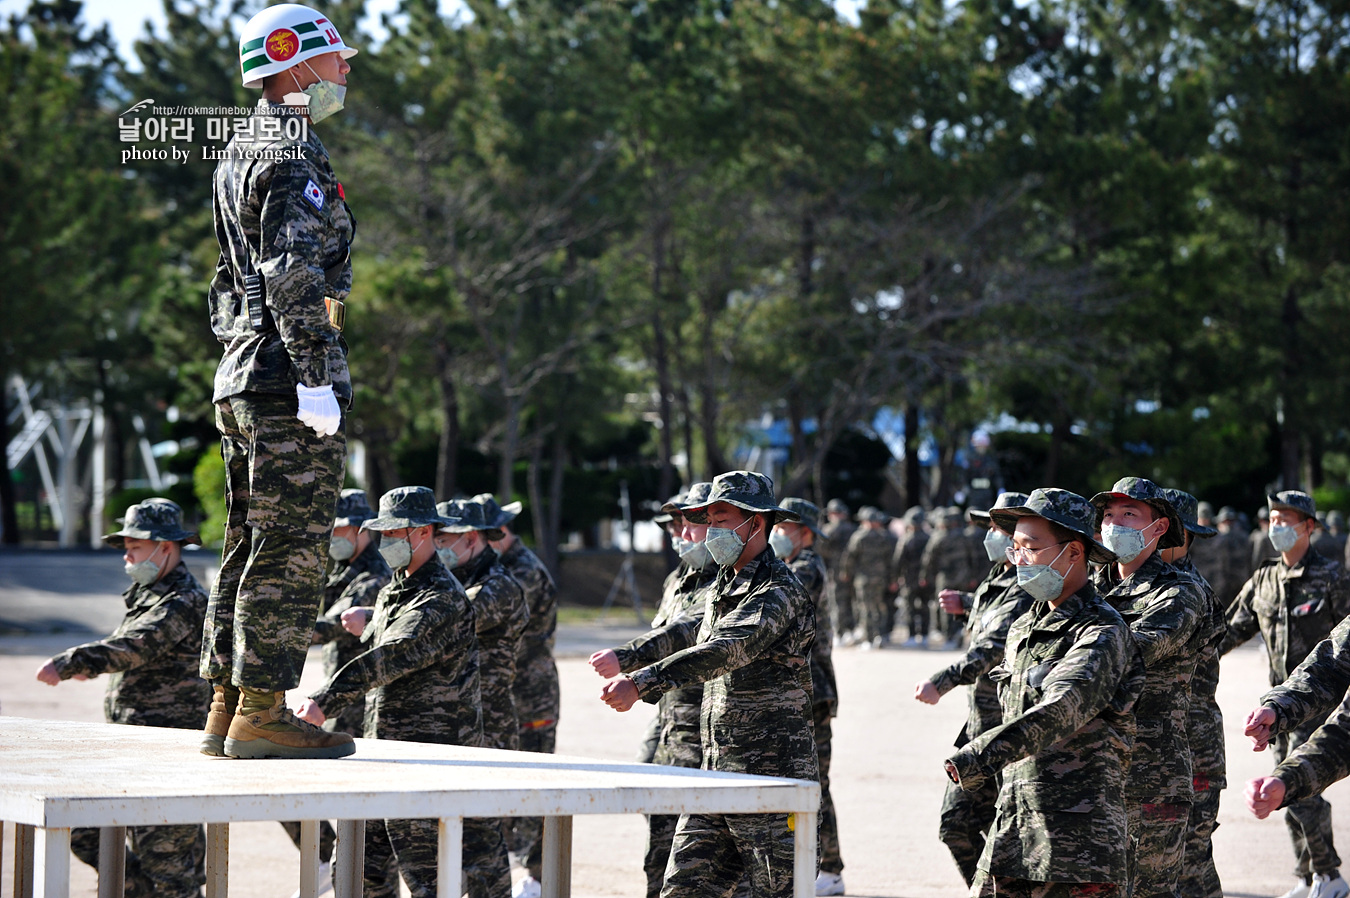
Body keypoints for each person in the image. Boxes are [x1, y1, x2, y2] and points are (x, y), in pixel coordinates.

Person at [201, 2, 359, 760]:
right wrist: (314, 376)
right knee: (290, 547)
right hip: (282, 378)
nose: (345, 70)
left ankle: (227, 704)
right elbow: (291, 270)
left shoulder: (241, 147)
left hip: (243, 369)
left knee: (245, 540)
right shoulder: (290, 152)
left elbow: (227, 279)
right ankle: (261, 715)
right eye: (336, 58)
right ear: (295, 66)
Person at [589, 471, 817, 898]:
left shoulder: (777, 590)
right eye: (708, 519)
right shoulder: (723, 585)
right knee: (681, 890)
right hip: (718, 774)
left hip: (769, 779)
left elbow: (724, 650)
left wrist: (642, 682)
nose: (711, 529)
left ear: (756, 522)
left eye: (721, 517)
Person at [295, 486, 511, 898]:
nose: (387, 542)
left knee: (429, 881)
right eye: (384, 534)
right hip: (386, 754)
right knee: (358, 873)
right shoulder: (396, 587)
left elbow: (389, 657)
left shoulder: (441, 599)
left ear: (425, 531)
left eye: (397, 534)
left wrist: (324, 702)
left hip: (428, 762)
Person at [943, 488, 1143, 898]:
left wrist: (980, 755)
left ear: (1073, 553)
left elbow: (1062, 707)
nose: (1019, 560)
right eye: (1015, 548)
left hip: (1076, 844)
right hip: (1014, 827)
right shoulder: (1023, 627)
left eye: (1031, 548)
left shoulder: (1101, 631)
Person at [36, 499, 209, 897]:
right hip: (136, 750)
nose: (127, 555)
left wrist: (73, 661)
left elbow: (135, 646)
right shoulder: (147, 594)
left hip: (167, 757)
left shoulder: (184, 600)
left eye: (135, 545)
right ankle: (135, 886)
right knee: (89, 833)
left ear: (165, 547)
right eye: (126, 546)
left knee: (171, 872)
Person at [1223, 491, 1350, 898]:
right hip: (1286, 701)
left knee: (1304, 796)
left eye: (1287, 519)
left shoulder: (1331, 577)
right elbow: (1229, 630)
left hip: (1320, 708)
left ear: (1309, 526)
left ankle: (1327, 873)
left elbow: (1337, 658)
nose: (1277, 526)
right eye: (1274, 517)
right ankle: (1306, 874)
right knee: (1286, 793)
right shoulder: (1265, 578)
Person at [595, 483, 717, 898]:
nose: (680, 535)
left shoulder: (726, 583)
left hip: (704, 737)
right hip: (671, 730)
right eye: (675, 528)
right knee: (660, 857)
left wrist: (627, 660)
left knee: (702, 864)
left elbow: (683, 635)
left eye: (688, 525)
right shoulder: (677, 580)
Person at [1089, 477, 1206, 898]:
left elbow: (1124, 654)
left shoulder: (1179, 592)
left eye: (1129, 515)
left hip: (1150, 775)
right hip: (1092, 772)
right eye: (1108, 515)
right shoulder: (1091, 586)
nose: (1114, 524)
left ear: (1158, 529)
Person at [914, 491, 1032, 887]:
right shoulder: (997, 576)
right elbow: (991, 613)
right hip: (979, 729)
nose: (990, 535)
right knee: (956, 826)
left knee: (1013, 838)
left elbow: (994, 646)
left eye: (999, 528)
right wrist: (966, 602)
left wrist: (941, 681)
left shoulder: (1026, 584)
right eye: (990, 527)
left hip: (1006, 734)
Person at [278, 489, 391, 893]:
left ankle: (348, 869)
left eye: (341, 528)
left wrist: (285, 632)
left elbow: (334, 624)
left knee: (357, 798)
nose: (334, 536)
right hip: (334, 696)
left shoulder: (376, 574)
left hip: (358, 699)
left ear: (362, 530)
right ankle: (333, 859)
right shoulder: (339, 569)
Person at [478, 496, 559, 898]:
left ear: (503, 533)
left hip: (531, 694)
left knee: (535, 787)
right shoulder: (500, 567)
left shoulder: (523, 571)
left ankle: (538, 876)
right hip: (507, 693)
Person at [773, 497, 846, 897]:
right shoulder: (787, 566)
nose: (777, 535)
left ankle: (830, 868)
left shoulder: (806, 569)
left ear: (806, 534)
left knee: (814, 785)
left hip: (811, 692)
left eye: (785, 529)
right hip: (799, 692)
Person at [1160, 489, 1228, 898]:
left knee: (1190, 863)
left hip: (1193, 751)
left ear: (1183, 538)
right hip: (1168, 751)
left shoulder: (1187, 592)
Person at [434, 499, 531, 751]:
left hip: (488, 724)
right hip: (459, 716)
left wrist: (371, 618)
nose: (438, 547)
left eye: (444, 540)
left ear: (470, 539)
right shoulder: (462, 579)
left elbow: (441, 624)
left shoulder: (496, 586)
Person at [921, 507, 984, 649]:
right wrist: (973, 576)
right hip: (964, 576)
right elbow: (973, 558)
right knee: (963, 604)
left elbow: (928, 559)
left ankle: (949, 636)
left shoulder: (939, 537)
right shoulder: (965, 537)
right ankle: (961, 632)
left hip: (946, 577)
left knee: (947, 606)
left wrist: (925, 576)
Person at [841, 506, 897, 649]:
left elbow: (850, 557)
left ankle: (869, 639)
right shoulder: (884, 537)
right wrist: (892, 579)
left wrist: (846, 573)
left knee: (865, 608)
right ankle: (880, 636)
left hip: (863, 579)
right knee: (879, 607)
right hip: (880, 579)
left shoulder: (859, 537)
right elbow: (891, 561)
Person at [819, 499, 858, 645]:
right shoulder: (853, 528)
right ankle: (852, 630)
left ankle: (840, 633)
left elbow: (821, 550)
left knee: (838, 602)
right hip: (853, 571)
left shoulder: (828, 530)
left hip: (835, 572)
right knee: (853, 601)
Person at [893, 507, 931, 647]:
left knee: (910, 607)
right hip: (926, 580)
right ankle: (925, 635)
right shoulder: (929, 538)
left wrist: (895, 578)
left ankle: (912, 635)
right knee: (925, 607)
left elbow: (898, 561)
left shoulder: (906, 539)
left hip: (909, 579)